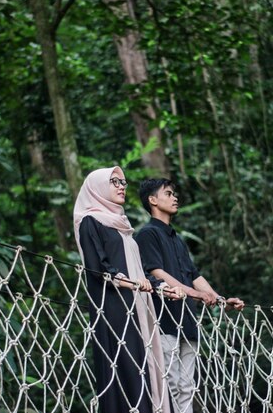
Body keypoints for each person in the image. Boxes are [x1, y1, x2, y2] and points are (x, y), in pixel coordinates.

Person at [73, 167, 180, 413]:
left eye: (123, 181)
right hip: (115, 310)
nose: (122, 186)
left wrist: (160, 287)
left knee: (148, 367)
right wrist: (131, 283)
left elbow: (139, 273)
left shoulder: (123, 226)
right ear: (97, 187)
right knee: (127, 369)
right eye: (114, 182)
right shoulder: (91, 221)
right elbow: (98, 268)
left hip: (140, 307)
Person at [135, 178, 245, 413]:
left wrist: (222, 300)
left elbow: (194, 275)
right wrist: (196, 294)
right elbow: (158, 273)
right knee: (170, 384)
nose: (175, 197)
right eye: (168, 193)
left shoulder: (177, 239)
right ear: (152, 200)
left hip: (187, 320)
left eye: (175, 194)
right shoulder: (146, 235)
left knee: (188, 386)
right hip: (163, 321)